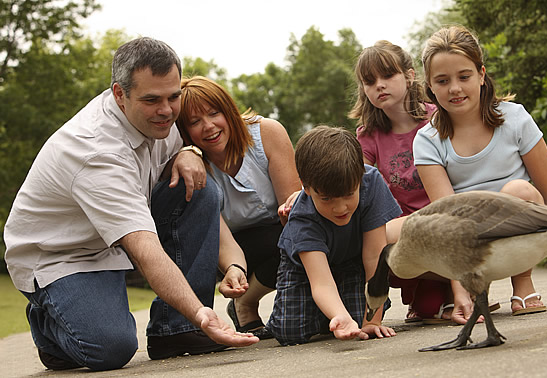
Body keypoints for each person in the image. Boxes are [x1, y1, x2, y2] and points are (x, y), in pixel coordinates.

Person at [3, 37, 258, 371]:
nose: (166, 110)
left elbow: (186, 163)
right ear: (119, 94)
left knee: (200, 188)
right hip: (60, 257)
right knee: (110, 349)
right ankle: (48, 324)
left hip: (109, 241)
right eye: (152, 100)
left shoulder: (160, 119)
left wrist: (189, 151)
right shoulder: (95, 151)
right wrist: (201, 313)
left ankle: (176, 331)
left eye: (173, 97)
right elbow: (144, 249)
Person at [413, 25, 547, 324]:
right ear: (430, 87)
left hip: (523, 226)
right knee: (417, 230)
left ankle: (522, 281)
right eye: (443, 81)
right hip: (469, 238)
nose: (455, 89)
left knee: (519, 191)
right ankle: (470, 291)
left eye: (464, 77)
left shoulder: (515, 119)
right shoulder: (427, 140)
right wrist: (460, 289)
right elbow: (446, 222)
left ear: (482, 74)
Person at [176, 76, 301, 339]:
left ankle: (251, 301)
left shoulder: (267, 133)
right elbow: (217, 236)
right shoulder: (193, 165)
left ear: (229, 111)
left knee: (295, 239)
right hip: (231, 246)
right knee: (276, 242)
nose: (208, 126)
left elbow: (294, 213)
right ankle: (245, 304)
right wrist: (234, 268)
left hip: (281, 232)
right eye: (195, 121)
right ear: (186, 132)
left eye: (214, 113)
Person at [349, 40, 453, 324]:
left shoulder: (438, 118)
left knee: (429, 306)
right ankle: (437, 287)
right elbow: (355, 183)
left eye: (387, 76)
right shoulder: (368, 135)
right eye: (369, 82)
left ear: (409, 75)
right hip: (402, 231)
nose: (379, 85)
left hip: (444, 221)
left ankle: (457, 285)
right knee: (427, 309)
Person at [267, 125, 401, 345]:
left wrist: (373, 321)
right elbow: (321, 283)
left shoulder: (372, 182)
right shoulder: (302, 215)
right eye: (327, 199)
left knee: (361, 322)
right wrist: (339, 316)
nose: (340, 208)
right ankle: (322, 311)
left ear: (360, 177)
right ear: (306, 188)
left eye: (349, 195)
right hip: (303, 270)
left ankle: (330, 310)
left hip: (351, 261)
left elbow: (374, 259)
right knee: (289, 332)